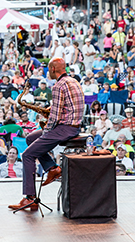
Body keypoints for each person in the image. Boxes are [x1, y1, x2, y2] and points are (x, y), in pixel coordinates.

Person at [8, 57, 85, 211]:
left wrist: (45, 131)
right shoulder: (74, 81)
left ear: (52, 69)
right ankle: (52, 168)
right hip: (74, 126)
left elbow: (55, 117)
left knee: (27, 155)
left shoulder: (58, 86)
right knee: (30, 138)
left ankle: (30, 198)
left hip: (64, 128)